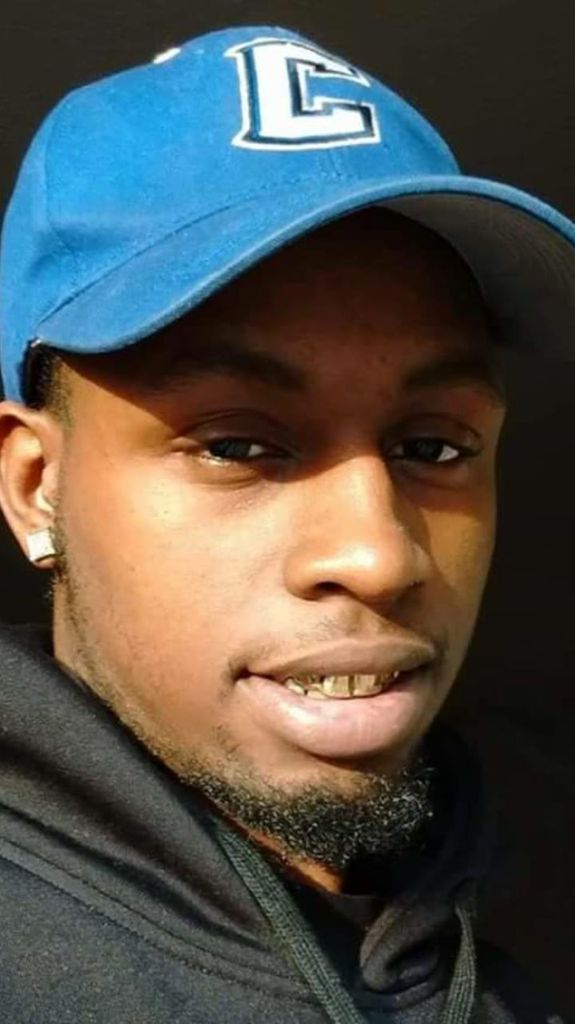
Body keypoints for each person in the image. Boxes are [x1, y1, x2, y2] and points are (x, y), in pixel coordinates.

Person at [0, 23, 572, 1024]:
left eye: (432, 447)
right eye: (236, 445)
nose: (378, 555)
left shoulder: (515, 954)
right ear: (35, 486)